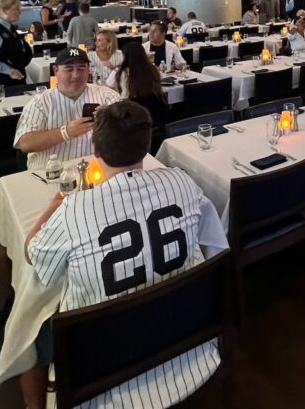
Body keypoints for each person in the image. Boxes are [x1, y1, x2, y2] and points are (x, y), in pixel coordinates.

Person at [21, 100, 227, 409]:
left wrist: (55, 204)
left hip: (102, 366)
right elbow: (213, 242)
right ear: (146, 146)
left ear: (96, 151)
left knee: (26, 334)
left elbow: (32, 256)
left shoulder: (73, 211)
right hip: (186, 332)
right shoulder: (182, 182)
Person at [14, 47, 121, 169]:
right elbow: (25, 143)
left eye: (81, 69)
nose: (75, 75)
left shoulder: (108, 96)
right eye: (69, 69)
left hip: (98, 171)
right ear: (56, 70)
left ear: (88, 70)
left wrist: (112, 121)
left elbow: (132, 132)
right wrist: (65, 132)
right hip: (51, 174)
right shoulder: (40, 103)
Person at [107, 42, 167, 132]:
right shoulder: (153, 69)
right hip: (154, 116)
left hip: (131, 117)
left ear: (124, 56)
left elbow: (107, 89)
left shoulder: (120, 72)